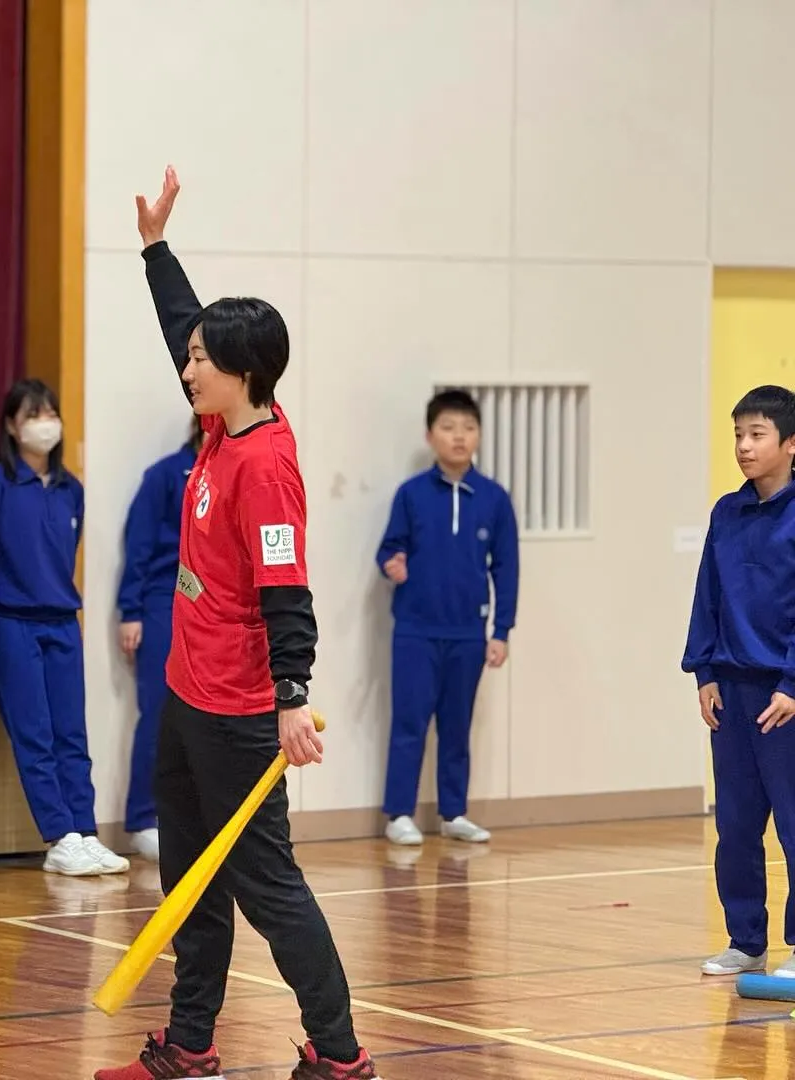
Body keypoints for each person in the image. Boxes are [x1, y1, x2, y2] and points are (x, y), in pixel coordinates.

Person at [96, 167, 380, 1080]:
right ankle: (190, 1045)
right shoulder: (222, 425)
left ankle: (339, 1056)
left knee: (268, 886)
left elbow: (286, 592)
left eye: (202, 361)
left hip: (240, 711)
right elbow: (181, 323)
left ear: (244, 373)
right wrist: (155, 248)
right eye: (190, 359)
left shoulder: (266, 466)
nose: (187, 367)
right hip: (187, 693)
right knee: (191, 884)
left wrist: (291, 698)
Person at [0, 379, 128, 878]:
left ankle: (84, 831)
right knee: (35, 734)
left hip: (62, 622)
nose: (44, 422)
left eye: (50, 412)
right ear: (11, 425)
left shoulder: (71, 490)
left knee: (72, 734)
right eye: (32, 413)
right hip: (11, 623)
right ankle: (59, 835)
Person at [682, 384, 795, 980]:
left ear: (790, 445)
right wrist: (704, 668)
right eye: (737, 435)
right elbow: (708, 594)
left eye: (756, 435)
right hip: (733, 690)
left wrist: (792, 683)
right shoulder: (726, 512)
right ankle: (747, 938)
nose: (744, 447)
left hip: (786, 697)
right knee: (736, 825)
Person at [374, 390, 519, 847]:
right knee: (409, 724)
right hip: (415, 631)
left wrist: (501, 631)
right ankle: (399, 813)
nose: (459, 437)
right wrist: (392, 563)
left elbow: (507, 568)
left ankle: (453, 812)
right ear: (430, 435)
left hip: (468, 635)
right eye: (449, 428)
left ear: (478, 436)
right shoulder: (411, 494)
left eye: (468, 428)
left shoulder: (494, 499)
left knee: (457, 727)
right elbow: (387, 549)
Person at [117, 415, 202, 861]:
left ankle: (195, 819)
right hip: (163, 602)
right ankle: (142, 817)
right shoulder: (168, 474)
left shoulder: (238, 471)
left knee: (207, 719)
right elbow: (140, 545)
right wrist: (131, 610)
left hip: (214, 609)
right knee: (159, 713)